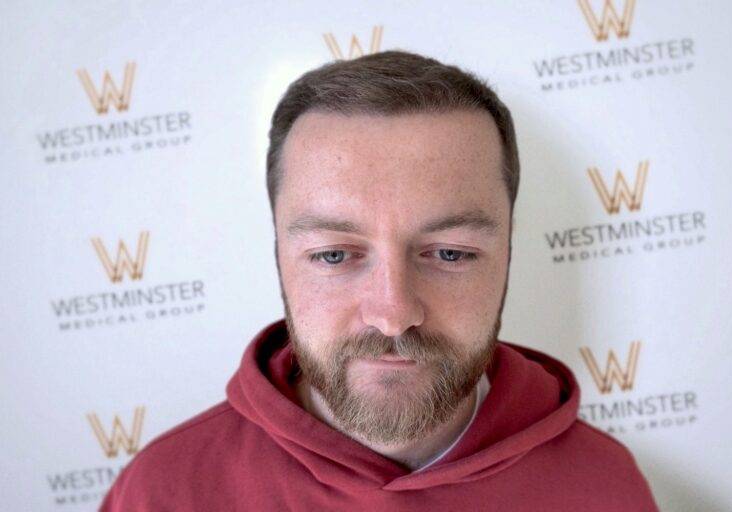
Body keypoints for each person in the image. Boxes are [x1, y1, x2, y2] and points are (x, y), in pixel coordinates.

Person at [100, 50, 659, 511]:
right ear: (278, 256)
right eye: (335, 255)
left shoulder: (605, 488)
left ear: (509, 254)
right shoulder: (162, 493)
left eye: (449, 253)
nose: (393, 313)